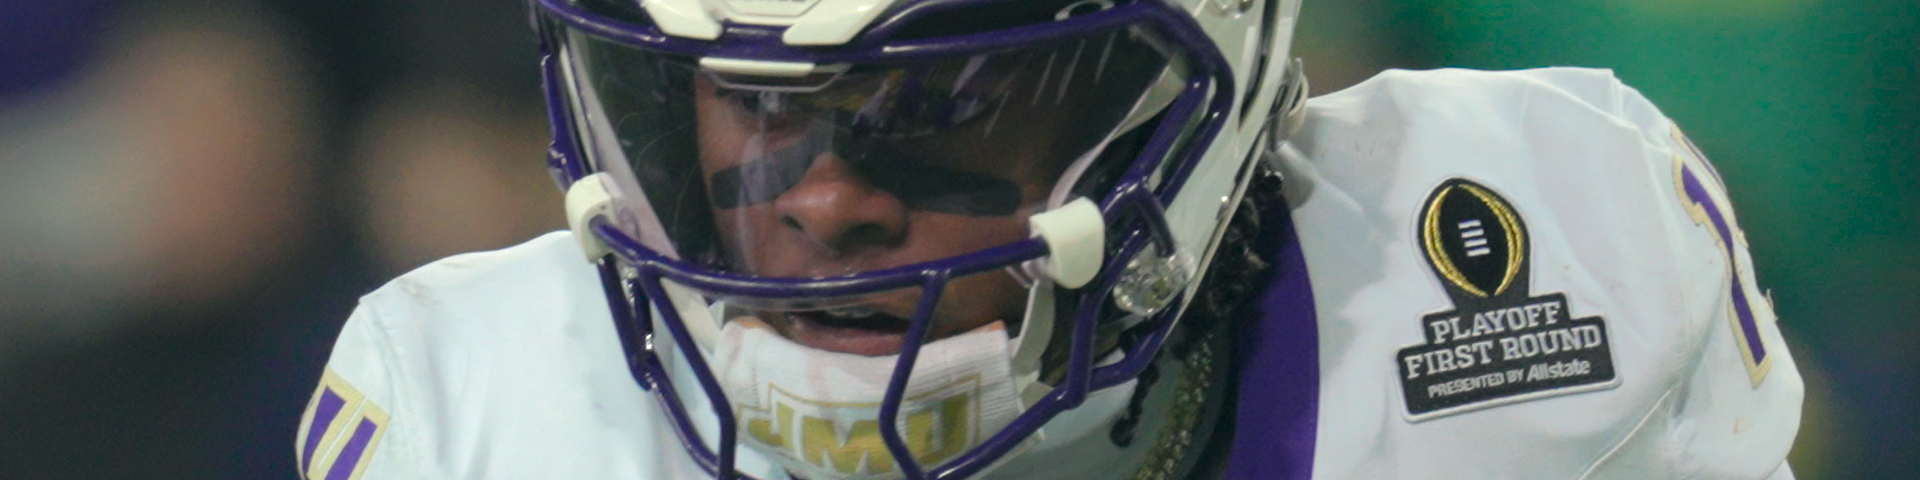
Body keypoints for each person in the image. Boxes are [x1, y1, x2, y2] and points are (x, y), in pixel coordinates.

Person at [296, 0, 1805, 478]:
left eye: (944, 95)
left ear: (1184, 103)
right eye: (753, 103)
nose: (825, 200)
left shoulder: (1533, 265)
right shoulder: (476, 414)